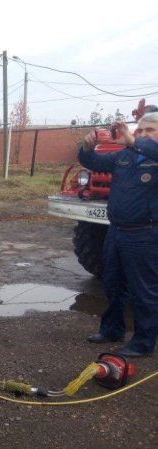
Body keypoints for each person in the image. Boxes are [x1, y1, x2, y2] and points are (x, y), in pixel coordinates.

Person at [78, 114, 158, 357]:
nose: (142, 134)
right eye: (140, 130)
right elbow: (93, 162)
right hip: (116, 231)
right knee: (113, 284)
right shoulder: (125, 155)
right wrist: (86, 146)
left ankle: (143, 343)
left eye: (150, 130)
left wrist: (133, 140)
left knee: (144, 291)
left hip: (144, 234)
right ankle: (112, 329)